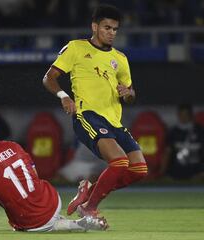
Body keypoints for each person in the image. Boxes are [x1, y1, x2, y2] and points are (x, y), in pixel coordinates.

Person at [42, 4, 148, 218]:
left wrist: (127, 93)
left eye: (115, 29)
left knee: (139, 170)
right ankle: (89, 208)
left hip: (114, 121)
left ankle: (88, 192)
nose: (111, 33)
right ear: (94, 26)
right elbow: (49, 77)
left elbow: (130, 93)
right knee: (119, 162)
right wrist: (64, 96)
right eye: (107, 27)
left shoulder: (120, 58)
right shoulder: (76, 48)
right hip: (87, 116)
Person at [0, 116, 108, 233]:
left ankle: (77, 222)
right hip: (51, 199)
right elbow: (33, 174)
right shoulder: (14, 146)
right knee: (45, 214)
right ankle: (77, 214)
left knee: (39, 225)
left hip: (29, 219)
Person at [161, 104, 204, 179]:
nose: (183, 117)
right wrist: (162, 172)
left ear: (191, 115)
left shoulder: (199, 130)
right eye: (181, 115)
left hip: (196, 170)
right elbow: (167, 153)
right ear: (178, 115)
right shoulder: (173, 132)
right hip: (177, 170)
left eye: (186, 114)